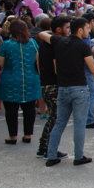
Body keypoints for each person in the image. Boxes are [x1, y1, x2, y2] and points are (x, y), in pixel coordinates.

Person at [39, 17, 94, 166]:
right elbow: (93, 69)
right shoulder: (82, 46)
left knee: (59, 122)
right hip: (79, 88)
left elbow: (43, 34)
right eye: (87, 28)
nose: (89, 31)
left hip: (63, 88)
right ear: (80, 30)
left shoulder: (59, 42)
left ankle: (51, 155)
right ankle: (78, 156)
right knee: (79, 124)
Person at [0, 19, 42, 145]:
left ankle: (13, 136)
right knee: (29, 108)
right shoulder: (32, 43)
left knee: (11, 110)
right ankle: (27, 135)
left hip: (10, 79)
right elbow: (38, 60)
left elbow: (0, 62)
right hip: (30, 78)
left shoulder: (6, 44)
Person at [36, 16, 70, 159]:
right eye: (67, 27)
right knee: (56, 118)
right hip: (53, 84)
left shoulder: (46, 42)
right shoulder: (55, 44)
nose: (69, 30)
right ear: (58, 29)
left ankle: (44, 147)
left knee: (54, 117)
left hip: (46, 83)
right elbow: (58, 68)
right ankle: (48, 148)